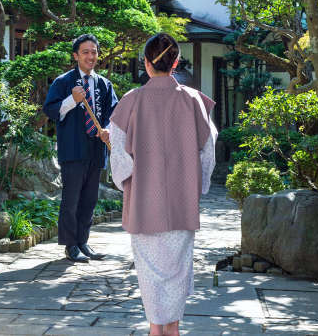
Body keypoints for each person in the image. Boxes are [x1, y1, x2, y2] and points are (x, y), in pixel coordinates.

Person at [109, 33, 217, 336]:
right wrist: (199, 185)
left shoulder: (130, 101)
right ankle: (171, 330)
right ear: (176, 63)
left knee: (151, 275)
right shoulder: (194, 100)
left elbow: (120, 159)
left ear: (146, 63)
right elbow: (208, 151)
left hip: (144, 203)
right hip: (181, 201)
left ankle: (157, 330)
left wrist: (124, 182)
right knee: (178, 269)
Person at [43, 34, 118, 263]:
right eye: (85, 52)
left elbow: (114, 114)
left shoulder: (104, 84)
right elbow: (51, 110)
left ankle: (83, 241)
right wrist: (72, 100)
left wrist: (107, 130)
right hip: (73, 148)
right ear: (76, 55)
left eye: (94, 51)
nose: (91, 56)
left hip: (96, 148)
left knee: (90, 198)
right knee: (71, 198)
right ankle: (70, 245)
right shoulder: (63, 82)